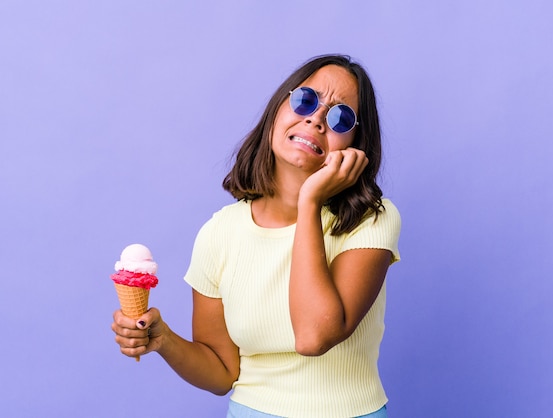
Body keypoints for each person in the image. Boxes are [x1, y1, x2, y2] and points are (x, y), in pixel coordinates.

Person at [111, 54, 401, 418]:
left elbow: (314, 337)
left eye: (340, 117)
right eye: (306, 100)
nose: (315, 119)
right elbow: (221, 373)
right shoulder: (220, 233)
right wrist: (163, 339)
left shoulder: (371, 220)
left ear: (356, 145)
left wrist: (310, 201)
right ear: (278, 110)